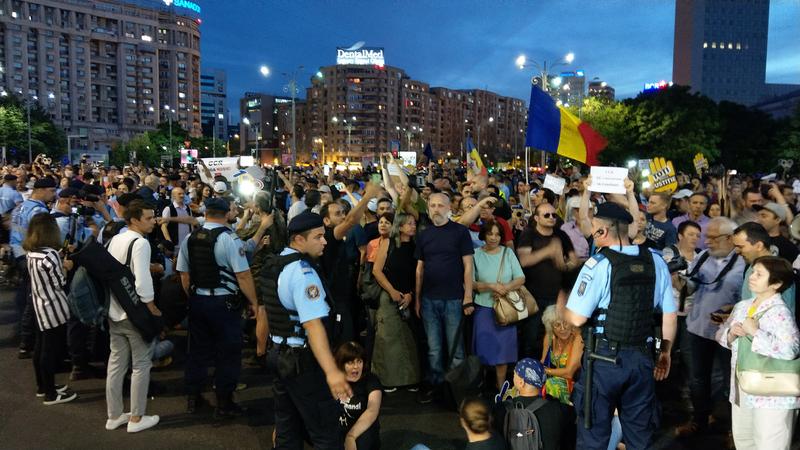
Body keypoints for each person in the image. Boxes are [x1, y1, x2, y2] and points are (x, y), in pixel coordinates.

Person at [564, 202, 677, 450]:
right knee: (639, 435)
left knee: (593, 434)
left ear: (602, 232)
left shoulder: (598, 265)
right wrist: (665, 352)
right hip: (642, 358)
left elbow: (576, 318)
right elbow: (669, 314)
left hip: (603, 361)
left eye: (594, 230)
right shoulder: (656, 261)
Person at [265, 210, 353, 449]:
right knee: (325, 431)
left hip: (279, 354)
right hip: (301, 362)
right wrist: (331, 371)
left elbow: (268, 308)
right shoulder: (304, 274)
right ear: (299, 240)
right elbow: (313, 325)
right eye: (317, 237)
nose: (324, 241)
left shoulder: (277, 262)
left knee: (287, 427)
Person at [177, 197, 262, 418]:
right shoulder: (229, 239)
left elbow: (184, 275)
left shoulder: (190, 238)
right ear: (225, 215)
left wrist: (193, 296)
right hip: (224, 304)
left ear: (206, 214)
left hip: (198, 301)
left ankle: (193, 398)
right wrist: (253, 303)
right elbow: (243, 275)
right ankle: (224, 402)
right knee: (228, 352)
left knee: (197, 351)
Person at [716, 256, 800, 449]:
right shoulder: (743, 306)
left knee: (769, 444)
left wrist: (755, 332)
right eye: (753, 272)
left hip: (773, 393)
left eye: (759, 274)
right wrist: (731, 334)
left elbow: (790, 350)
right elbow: (722, 334)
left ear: (776, 283)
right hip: (743, 387)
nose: (751, 277)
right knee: (744, 442)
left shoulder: (780, 312)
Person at [674, 216, 745, 438]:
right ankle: (700, 420)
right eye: (708, 237)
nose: (708, 242)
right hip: (698, 328)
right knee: (697, 378)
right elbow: (692, 287)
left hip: (728, 333)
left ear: (730, 239)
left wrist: (731, 309)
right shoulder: (703, 256)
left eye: (714, 238)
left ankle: (735, 430)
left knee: (730, 381)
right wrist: (680, 281)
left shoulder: (744, 263)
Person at [104, 199, 161, 433]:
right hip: (134, 312)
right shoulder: (140, 243)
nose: (153, 221)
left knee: (116, 364)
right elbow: (142, 282)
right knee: (141, 365)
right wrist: (153, 308)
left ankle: (114, 415)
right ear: (135, 220)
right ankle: (136, 418)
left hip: (113, 310)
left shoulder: (116, 239)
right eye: (148, 218)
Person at [414, 193, 475, 403]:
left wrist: (468, 295)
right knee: (434, 349)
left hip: (454, 299)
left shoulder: (460, 232)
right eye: (432, 205)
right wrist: (418, 299)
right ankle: (437, 389)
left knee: (456, 350)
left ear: (449, 208)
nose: (436, 209)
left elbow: (468, 266)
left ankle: (459, 394)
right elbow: (419, 269)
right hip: (430, 299)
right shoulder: (424, 235)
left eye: (440, 205)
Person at [24, 213, 78, 405]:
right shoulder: (50, 254)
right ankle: (50, 393)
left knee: (40, 348)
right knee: (49, 350)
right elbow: (60, 282)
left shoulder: (32, 252)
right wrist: (67, 266)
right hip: (53, 307)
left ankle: (43, 386)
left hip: (40, 306)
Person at [516, 202, 578, 359]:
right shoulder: (528, 234)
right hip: (532, 295)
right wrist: (549, 251)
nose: (551, 218)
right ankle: (526, 371)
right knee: (530, 336)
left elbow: (573, 261)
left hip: (556, 295)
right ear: (536, 218)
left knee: (552, 336)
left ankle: (548, 370)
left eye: (554, 215)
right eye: (546, 215)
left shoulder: (561, 235)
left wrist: (565, 264)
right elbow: (523, 260)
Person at [472, 220, 525, 390]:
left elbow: (520, 278)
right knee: (483, 348)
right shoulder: (475, 254)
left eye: (497, 234)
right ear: (484, 235)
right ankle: (482, 385)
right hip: (484, 308)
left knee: (503, 351)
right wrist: (491, 286)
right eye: (490, 234)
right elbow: (471, 283)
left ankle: (501, 386)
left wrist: (504, 288)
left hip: (506, 309)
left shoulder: (507, 253)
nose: (494, 238)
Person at [371, 213, 421, 391]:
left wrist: (410, 294)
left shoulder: (416, 246)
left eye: (414, 223)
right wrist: (392, 291)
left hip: (410, 296)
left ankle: (410, 379)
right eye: (408, 223)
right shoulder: (388, 243)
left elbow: (419, 274)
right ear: (399, 226)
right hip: (389, 295)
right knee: (388, 337)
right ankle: (387, 379)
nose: (412, 226)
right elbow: (377, 271)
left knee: (408, 339)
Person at [11, 176, 57, 359]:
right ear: (41, 190)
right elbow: (40, 236)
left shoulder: (20, 206)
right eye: (52, 191)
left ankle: (25, 339)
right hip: (30, 254)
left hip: (18, 253)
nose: (54, 195)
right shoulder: (38, 210)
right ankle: (27, 342)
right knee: (35, 300)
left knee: (28, 297)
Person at [493, 358, 564, 450]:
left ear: (521, 382)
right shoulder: (557, 409)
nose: (513, 376)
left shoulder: (501, 409)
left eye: (514, 374)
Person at [732, 222, 795, 315]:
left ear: (759, 246)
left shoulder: (781, 272)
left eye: (740, 247)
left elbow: (784, 315)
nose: (736, 251)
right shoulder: (749, 267)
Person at [335, 341, 382, 450]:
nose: (356, 367)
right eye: (350, 362)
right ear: (341, 364)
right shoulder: (335, 381)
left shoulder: (371, 380)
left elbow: (372, 410)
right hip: (339, 433)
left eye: (359, 361)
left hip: (362, 432)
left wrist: (351, 436)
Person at [540, 305, 584, 405]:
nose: (562, 328)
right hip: (554, 380)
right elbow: (543, 362)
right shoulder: (549, 337)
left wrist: (545, 371)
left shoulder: (578, 338)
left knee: (551, 384)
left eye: (565, 323)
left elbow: (569, 373)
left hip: (574, 384)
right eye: (557, 325)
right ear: (551, 326)